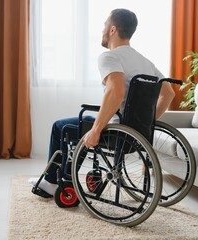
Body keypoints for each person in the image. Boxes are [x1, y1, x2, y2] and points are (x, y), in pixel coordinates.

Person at [29, 8, 175, 196]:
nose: (102, 30)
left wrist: (96, 130)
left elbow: (116, 91)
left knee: (61, 127)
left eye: (104, 25)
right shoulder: (146, 62)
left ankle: (51, 183)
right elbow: (169, 93)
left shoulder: (110, 57)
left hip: (115, 130)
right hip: (137, 133)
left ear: (113, 29)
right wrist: (146, 121)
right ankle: (64, 175)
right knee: (86, 122)